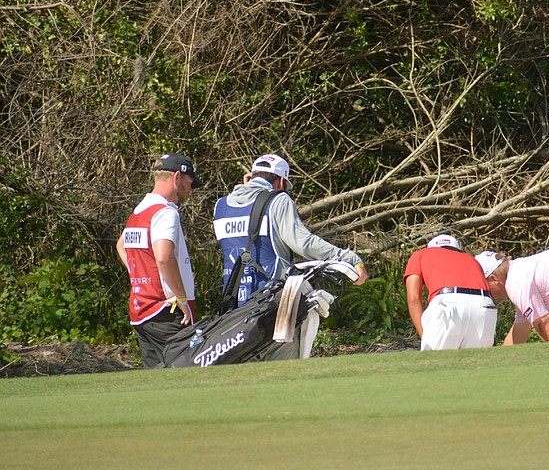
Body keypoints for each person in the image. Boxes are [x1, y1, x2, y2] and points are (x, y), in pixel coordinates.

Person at [213, 154, 368, 307]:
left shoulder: (220, 206)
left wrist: (247, 188)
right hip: (269, 301)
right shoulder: (278, 199)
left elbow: (241, 234)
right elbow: (304, 243)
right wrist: (348, 258)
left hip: (233, 302)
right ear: (281, 181)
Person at [116, 153, 202, 368]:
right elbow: (164, 257)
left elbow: (121, 246)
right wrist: (181, 299)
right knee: (187, 372)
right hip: (166, 311)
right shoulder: (165, 212)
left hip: (141, 311)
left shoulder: (139, 211)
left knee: (155, 379)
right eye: (190, 183)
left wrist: (140, 275)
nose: (190, 190)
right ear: (176, 178)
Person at [404, 234, 498, 350]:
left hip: (448, 304)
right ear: (457, 249)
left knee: (436, 364)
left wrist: (426, 337)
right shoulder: (472, 259)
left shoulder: (420, 254)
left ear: (431, 248)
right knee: (476, 366)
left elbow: (413, 297)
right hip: (484, 306)